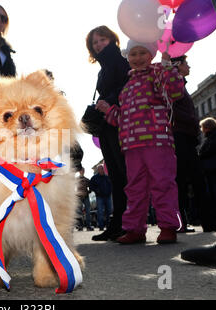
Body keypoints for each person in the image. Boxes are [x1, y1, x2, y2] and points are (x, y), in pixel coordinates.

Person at [96, 40, 185, 245]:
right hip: (131, 146)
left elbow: (174, 91)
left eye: (142, 53)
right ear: (128, 57)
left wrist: (166, 66)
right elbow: (122, 119)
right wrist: (108, 110)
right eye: (133, 54)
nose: (137, 58)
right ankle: (135, 228)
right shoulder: (126, 88)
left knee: (163, 183)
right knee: (134, 187)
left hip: (157, 141)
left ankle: (168, 226)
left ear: (151, 55)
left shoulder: (158, 74)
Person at [171, 56, 216, 233]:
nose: (189, 66)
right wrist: (192, 121)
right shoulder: (174, 84)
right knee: (190, 182)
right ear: (178, 65)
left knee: (190, 182)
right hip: (180, 137)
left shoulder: (180, 84)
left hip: (185, 137)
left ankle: (195, 223)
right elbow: (172, 110)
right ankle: (192, 223)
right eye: (186, 63)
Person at [85, 26, 130, 241]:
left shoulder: (119, 60)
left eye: (102, 39)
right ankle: (118, 222)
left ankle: (126, 222)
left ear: (112, 40)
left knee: (122, 172)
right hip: (106, 123)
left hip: (118, 121)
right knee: (115, 173)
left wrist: (109, 102)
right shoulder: (103, 67)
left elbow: (126, 87)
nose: (99, 44)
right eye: (95, 42)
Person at [89, 165, 113, 231]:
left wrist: (110, 191)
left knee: (109, 211)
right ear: (98, 170)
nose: (101, 170)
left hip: (108, 196)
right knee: (100, 212)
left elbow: (111, 185)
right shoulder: (94, 178)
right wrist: (97, 190)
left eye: (102, 169)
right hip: (100, 197)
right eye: (99, 169)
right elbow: (90, 186)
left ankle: (109, 226)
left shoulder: (107, 177)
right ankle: (101, 226)